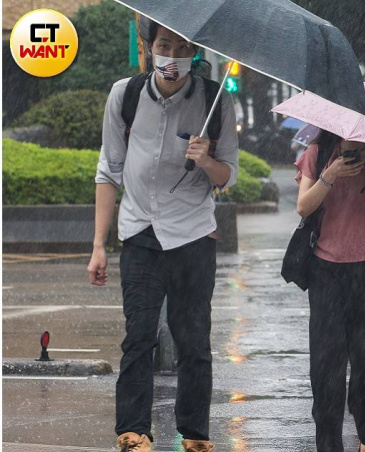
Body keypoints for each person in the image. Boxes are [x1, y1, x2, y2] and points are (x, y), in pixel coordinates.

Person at [87, 18, 239, 452]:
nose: (173, 55)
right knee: (139, 334)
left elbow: (227, 176)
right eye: (166, 44)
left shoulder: (214, 100)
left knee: (193, 338)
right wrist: (99, 245)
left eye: (183, 47)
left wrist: (206, 160)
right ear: (148, 46)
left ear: (196, 53)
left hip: (192, 233)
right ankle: (132, 430)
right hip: (139, 231)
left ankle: (194, 432)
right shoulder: (126, 95)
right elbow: (108, 171)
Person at [295, 130, 365, 452]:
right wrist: (330, 174)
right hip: (326, 271)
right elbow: (303, 207)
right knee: (326, 366)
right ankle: (328, 444)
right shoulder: (319, 152)